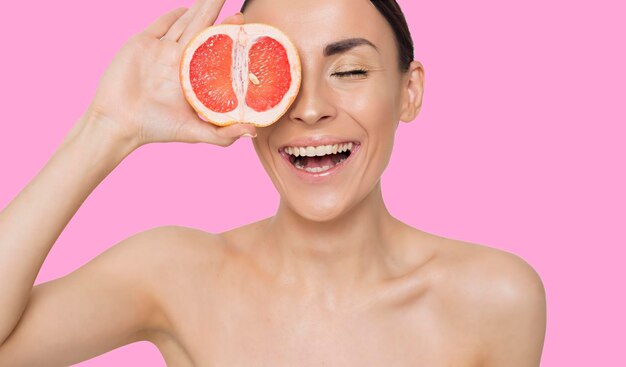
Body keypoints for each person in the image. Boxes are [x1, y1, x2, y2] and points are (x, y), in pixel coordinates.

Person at [0, 0, 546, 365]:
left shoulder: (495, 297)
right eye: (279, 73)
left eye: (349, 70)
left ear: (409, 91)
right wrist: (108, 128)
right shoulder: (172, 274)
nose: (308, 109)